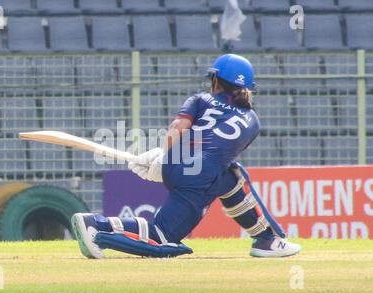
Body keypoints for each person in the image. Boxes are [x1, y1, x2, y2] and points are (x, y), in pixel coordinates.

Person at [72, 54, 301, 259]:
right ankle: (95, 224)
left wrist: (166, 159)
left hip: (185, 165)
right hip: (200, 175)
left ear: (216, 81)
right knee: (162, 235)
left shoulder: (200, 99)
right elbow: (219, 152)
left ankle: (266, 239)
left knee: (232, 180)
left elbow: (177, 127)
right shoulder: (252, 121)